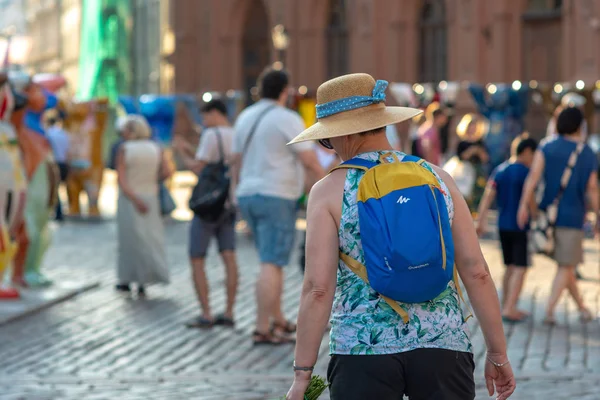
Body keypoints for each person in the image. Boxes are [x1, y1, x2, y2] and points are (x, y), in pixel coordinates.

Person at [286, 73, 515, 400]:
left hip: (362, 349)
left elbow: (318, 289)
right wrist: (497, 353)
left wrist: (302, 373)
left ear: (343, 135)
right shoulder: (438, 178)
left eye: (327, 139)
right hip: (443, 343)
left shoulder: (327, 192)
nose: (330, 147)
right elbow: (476, 271)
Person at [230, 67, 325, 345]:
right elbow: (308, 160)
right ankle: (262, 327)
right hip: (276, 195)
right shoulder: (287, 118)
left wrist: (236, 195)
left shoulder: (245, 116)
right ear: (285, 91)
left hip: (248, 193)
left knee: (271, 261)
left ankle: (279, 319)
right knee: (271, 262)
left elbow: (235, 160)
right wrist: (332, 184)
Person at [518, 107, 598, 325]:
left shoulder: (546, 146)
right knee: (567, 265)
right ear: (579, 125)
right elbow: (592, 187)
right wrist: (598, 214)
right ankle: (550, 311)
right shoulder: (587, 152)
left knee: (567, 264)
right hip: (573, 216)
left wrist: (523, 206)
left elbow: (533, 179)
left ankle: (582, 307)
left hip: (548, 215)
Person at [175, 99, 239, 328]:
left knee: (197, 258)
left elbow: (198, 168)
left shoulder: (212, 135)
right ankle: (230, 311)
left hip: (207, 206)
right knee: (229, 257)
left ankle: (206, 313)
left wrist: (182, 152)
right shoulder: (236, 134)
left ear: (214, 113)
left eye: (205, 117)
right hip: (229, 202)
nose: (203, 122)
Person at [477, 134, 538, 322]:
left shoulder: (500, 170)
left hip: (503, 225)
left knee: (509, 266)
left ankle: (505, 304)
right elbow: (530, 199)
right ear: (527, 152)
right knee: (520, 267)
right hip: (520, 226)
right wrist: (536, 215)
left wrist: (481, 220)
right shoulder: (526, 172)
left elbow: (488, 195)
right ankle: (510, 308)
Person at [115, 115, 172, 296]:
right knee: (150, 238)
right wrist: (153, 181)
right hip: (150, 196)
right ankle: (145, 278)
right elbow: (168, 171)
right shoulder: (156, 148)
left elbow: (122, 180)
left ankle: (128, 278)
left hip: (130, 199)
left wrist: (135, 198)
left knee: (130, 240)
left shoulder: (125, 149)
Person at [456, 113, 490, 214]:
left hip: (478, 172)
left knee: (478, 194)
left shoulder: (480, 142)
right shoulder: (462, 143)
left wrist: (479, 151)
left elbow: (485, 158)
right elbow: (461, 157)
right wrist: (472, 150)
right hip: (465, 172)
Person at [46, 116, 70, 221]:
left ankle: (59, 212)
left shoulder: (48, 134)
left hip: (54, 163)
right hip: (63, 163)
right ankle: (59, 211)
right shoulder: (63, 134)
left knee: (54, 188)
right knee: (59, 188)